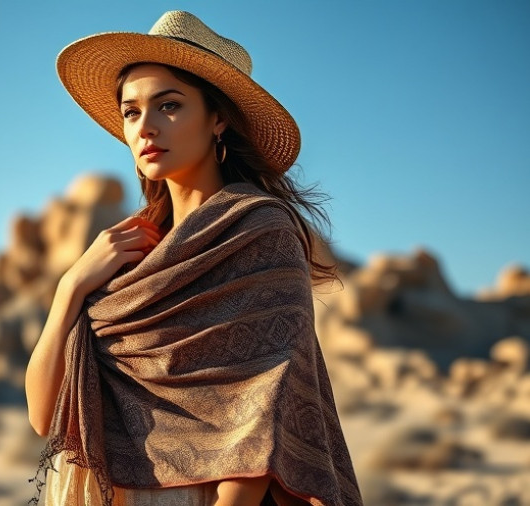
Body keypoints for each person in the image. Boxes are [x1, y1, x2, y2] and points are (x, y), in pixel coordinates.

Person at [26, 11, 362, 506]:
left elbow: (265, 410)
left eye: (169, 106)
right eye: (132, 112)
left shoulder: (259, 233)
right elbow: (44, 415)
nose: (146, 128)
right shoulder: (126, 250)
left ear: (218, 118)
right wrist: (70, 288)